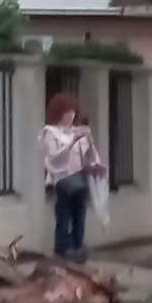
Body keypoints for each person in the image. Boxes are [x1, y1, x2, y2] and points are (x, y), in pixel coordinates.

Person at [38, 93, 106, 258]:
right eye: (66, 112)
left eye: (73, 112)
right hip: (62, 179)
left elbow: (89, 157)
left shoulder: (76, 131)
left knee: (79, 214)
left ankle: (78, 245)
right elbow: (53, 158)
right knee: (64, 214)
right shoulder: (50, 132)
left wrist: (88, 141)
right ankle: (62, 248)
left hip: (80, 178)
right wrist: (72, 142)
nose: (70, 116)